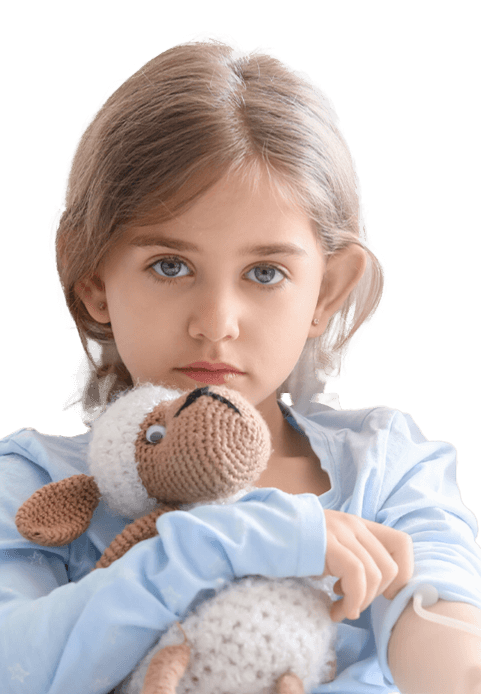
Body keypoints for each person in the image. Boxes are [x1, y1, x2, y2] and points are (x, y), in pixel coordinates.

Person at [1, 32, 480, 694]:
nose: (216, 323)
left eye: (264, 272)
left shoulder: (389, 468)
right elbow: (14, 666)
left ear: (327, 291)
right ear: (95, 284)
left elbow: (448, 644)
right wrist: (243, 535)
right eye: (169, 266)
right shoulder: (35, 484)